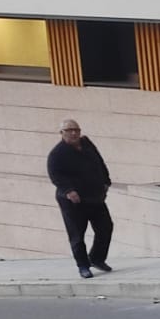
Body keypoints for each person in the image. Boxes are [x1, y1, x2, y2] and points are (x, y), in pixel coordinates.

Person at [46, 119, 113, 278]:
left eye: (76, 130)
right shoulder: (57, 154)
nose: (74, 133)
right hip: (73, 201)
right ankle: (83, 266)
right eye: (69, 130)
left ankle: (96, 258)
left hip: (95, 197)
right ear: (62, 133)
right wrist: (69, 190)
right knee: (77, 235)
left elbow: (100, 163)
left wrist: (106, 181)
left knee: (105, 227)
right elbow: (55, 175)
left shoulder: (87, 144)